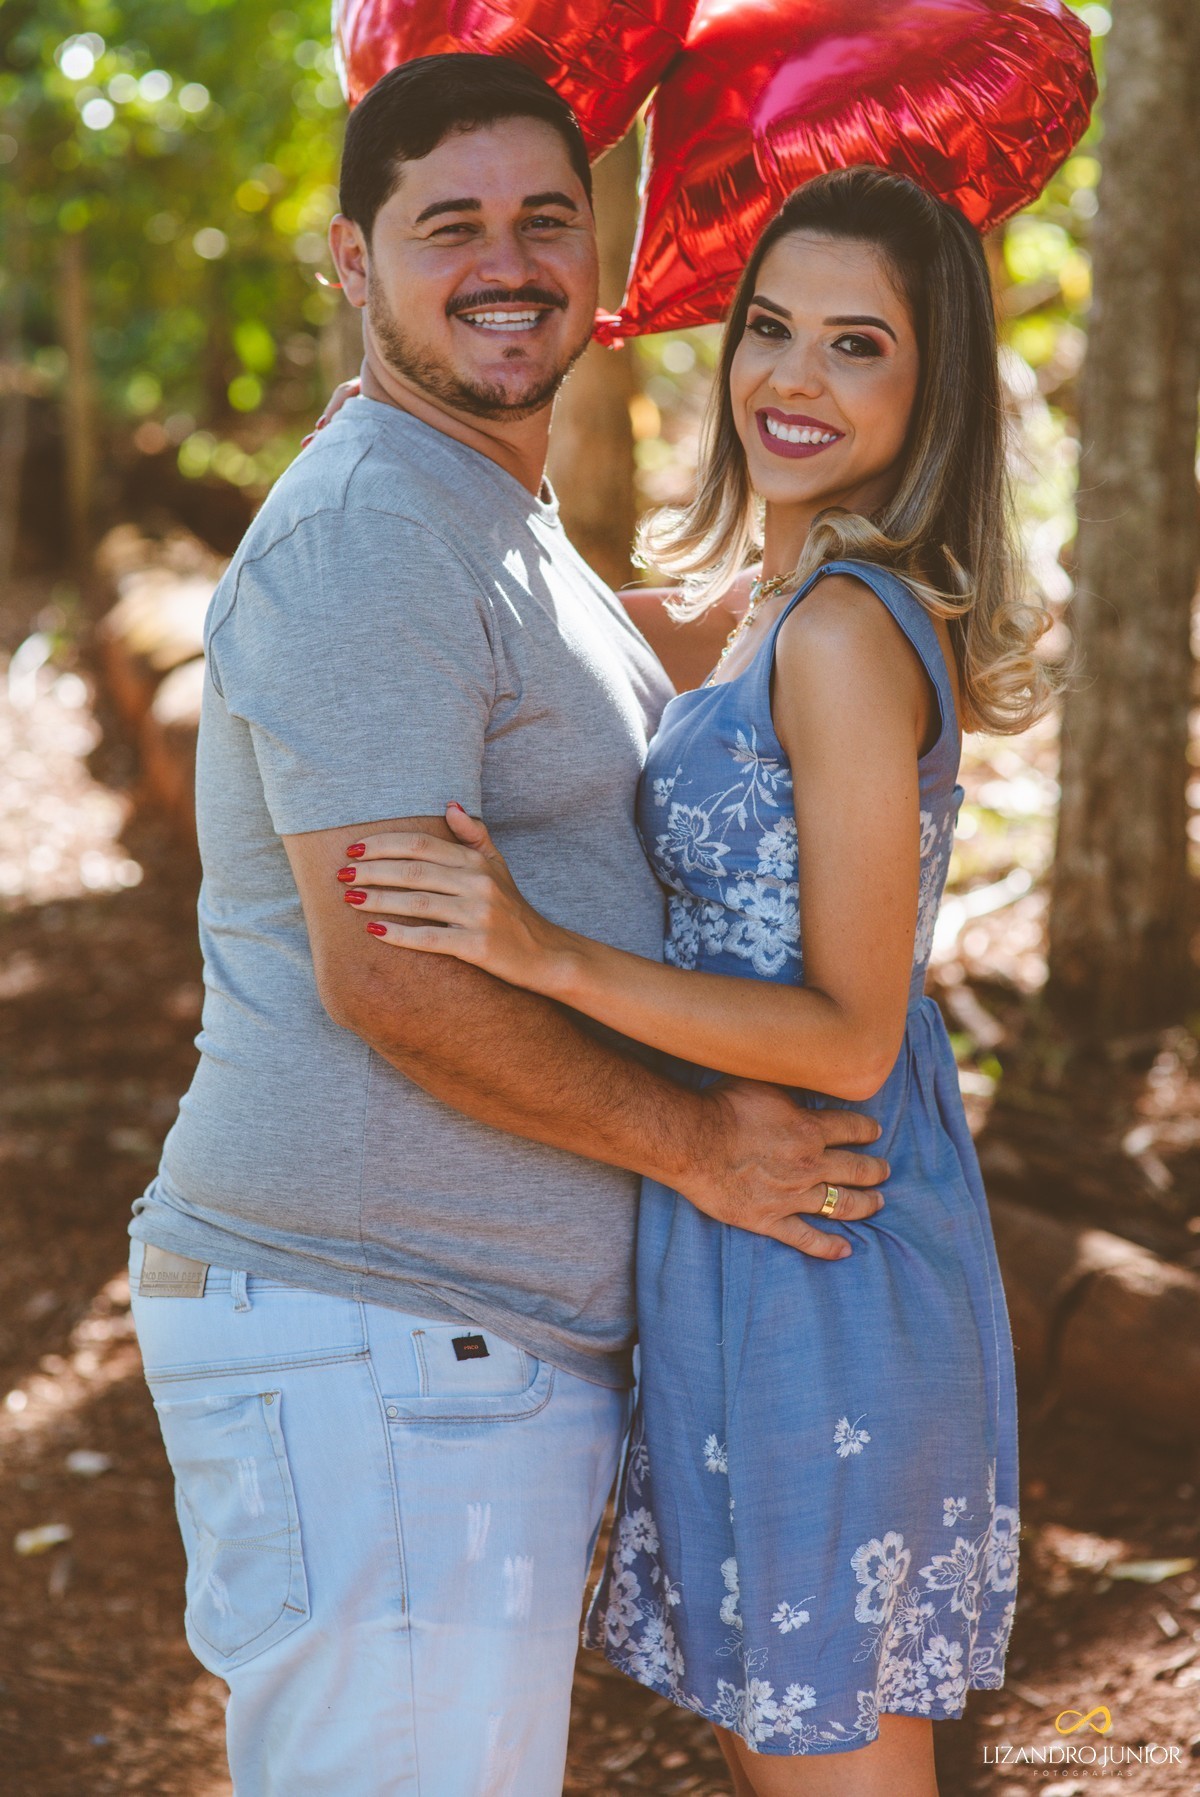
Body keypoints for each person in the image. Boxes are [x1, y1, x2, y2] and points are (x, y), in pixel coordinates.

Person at [127, 57, 888, 1797]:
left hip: (438, 1346)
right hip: (379, 1333)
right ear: (348, 260)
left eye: (546, 217)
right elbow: (390, 972)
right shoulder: (375, 532)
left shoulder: (489, 519)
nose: (507, 258)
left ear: (600, 250)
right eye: (445, 223)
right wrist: (702, 1143)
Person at [341, 165, 1050, 1796]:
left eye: (857, 345)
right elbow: (572, 624)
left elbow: (856, 1028)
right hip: (732, 1224)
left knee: (829, 1753)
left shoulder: (846, 638)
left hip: (823, 1222)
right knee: (773, 1732)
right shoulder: (767, 607)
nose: (793, 379)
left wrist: (537, 950)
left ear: (933, 385)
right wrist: (395, 428)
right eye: (771, 328)